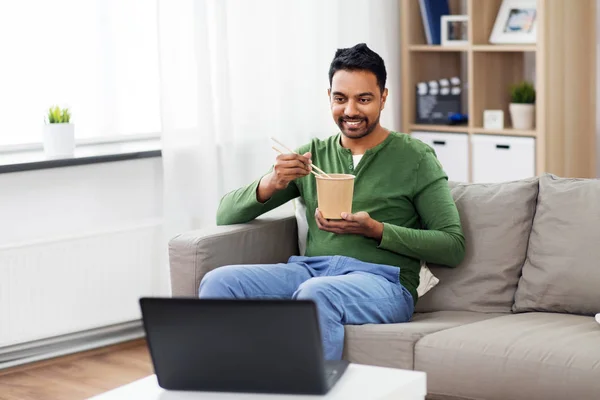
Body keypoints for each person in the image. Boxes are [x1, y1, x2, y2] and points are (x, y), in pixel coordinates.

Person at [199, 43, 465, 361]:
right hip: (311, 272)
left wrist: (377, 230)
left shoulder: (415, 157)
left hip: (383, 283)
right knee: (219, 282)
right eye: (340, 99)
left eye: (363, 99)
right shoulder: (313, 155)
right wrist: (273, 182)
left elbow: (452, 246)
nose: (350, 110)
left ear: (383, 97)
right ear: (329, 98)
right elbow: (225, 214)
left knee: (317, 294)